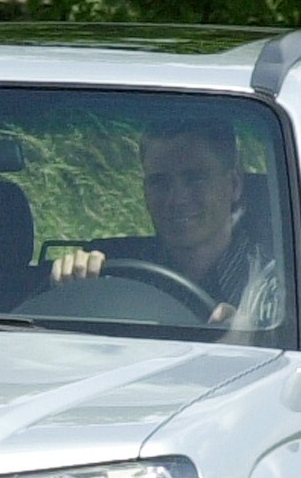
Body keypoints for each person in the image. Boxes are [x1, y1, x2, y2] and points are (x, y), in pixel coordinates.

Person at [49, 117, 282, 328]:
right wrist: (72, 282)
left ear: (234, 185)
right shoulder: (115, 272)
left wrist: (252, 339)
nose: (176, 199)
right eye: (159, 182)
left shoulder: (278, 286)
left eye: (195, 179)